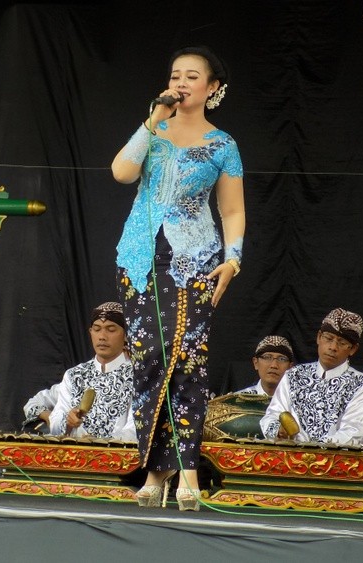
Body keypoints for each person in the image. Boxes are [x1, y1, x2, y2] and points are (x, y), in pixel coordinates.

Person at [112, 45, 244, 510]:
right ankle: (155, 469)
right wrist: (152, 120)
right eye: (176, 75)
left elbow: (231, 209)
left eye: (193, 76)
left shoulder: (223, 145)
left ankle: (186, 470)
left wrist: (234, 258)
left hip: (196, 260)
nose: (182, 83)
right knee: (150, 359)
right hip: (141, 258)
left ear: (212, 88)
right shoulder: (154, 129)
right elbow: (122, 172)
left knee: (186, 358)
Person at [260, 308, 363, 446]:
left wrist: (311, 449)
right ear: (319, 337)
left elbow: (352, 432)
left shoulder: (362, 384)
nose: (333, 347)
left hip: (339, 463)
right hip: (290, 460)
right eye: (328, 338)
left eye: (342, 342)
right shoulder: (293, 375)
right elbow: (272, 415)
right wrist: (278, 431)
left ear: (353, 349)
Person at [48, 302, 136, 441]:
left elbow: (135, 430)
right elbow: (55, 427)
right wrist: (68, 421)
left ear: (126, 335)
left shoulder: (138, 376)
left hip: (117, 459)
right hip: (75, 458)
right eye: (97, 329)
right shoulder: (75, 375)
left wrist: (99, 446)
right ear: (90, 333)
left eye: (111, 329)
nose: (102, 336)